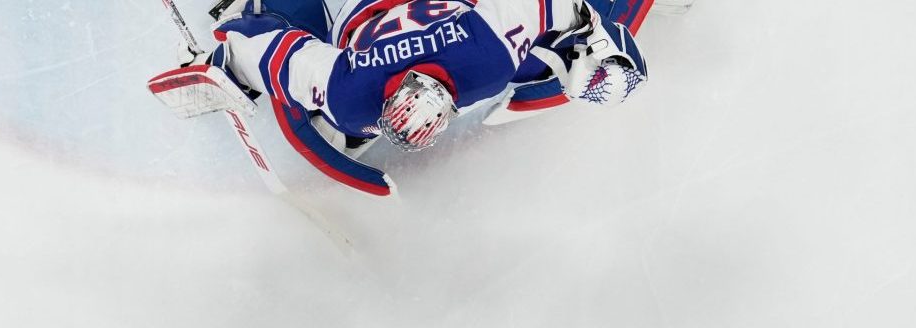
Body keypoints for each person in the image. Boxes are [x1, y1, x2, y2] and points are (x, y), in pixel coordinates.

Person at [148, 0, 686, 195]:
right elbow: (272, 53)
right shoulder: (353, 98)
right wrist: (227, 57)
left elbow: (273, 51)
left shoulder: (485, 64)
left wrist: (593, 47)